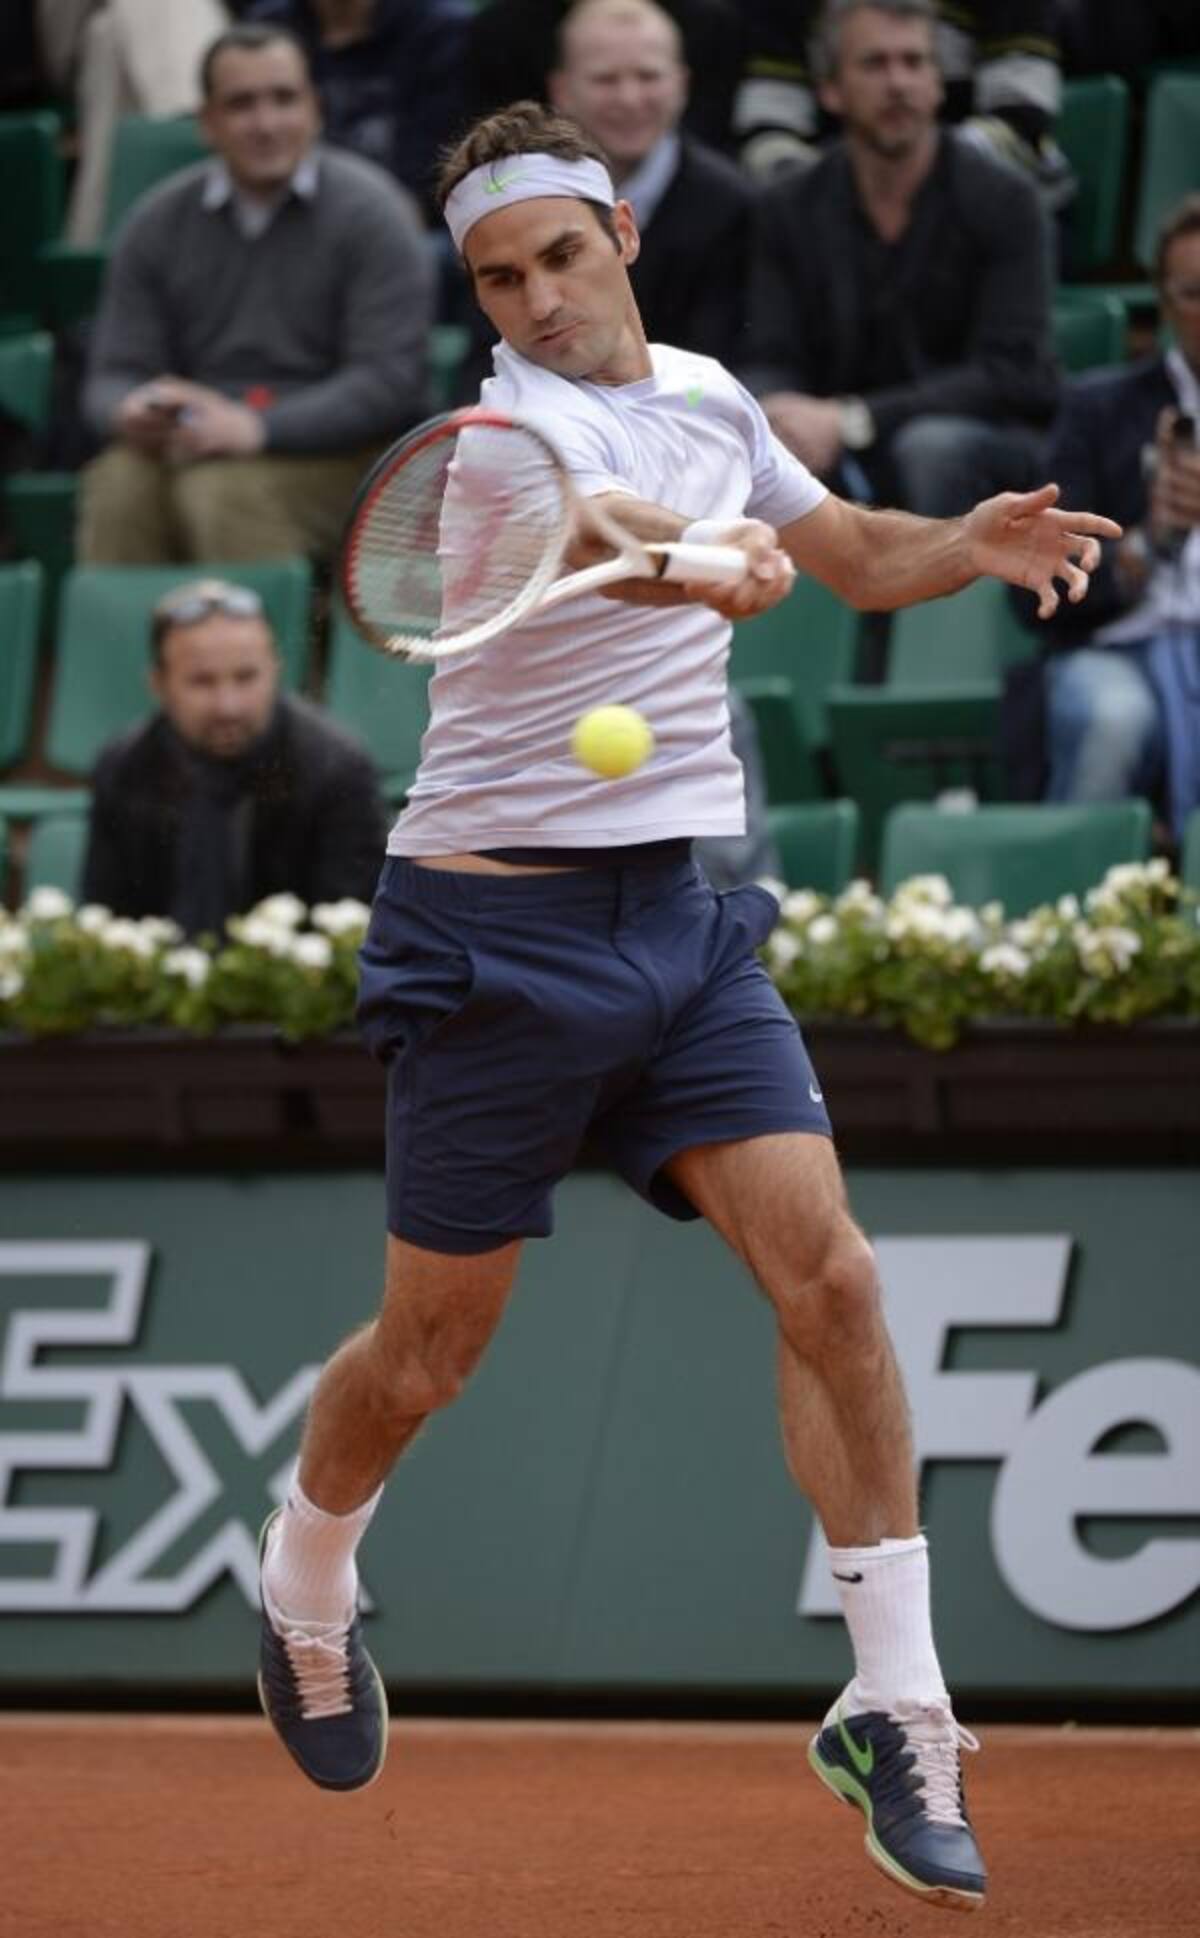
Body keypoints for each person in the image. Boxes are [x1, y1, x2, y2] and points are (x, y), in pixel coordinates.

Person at [254, 100, 1116, 1915]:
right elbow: (614, 528)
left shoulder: (716, 395)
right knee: (428, 1357)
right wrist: (703, 559)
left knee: (836, 1280)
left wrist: (964, 538)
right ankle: (307, 1575)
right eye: (502, 277)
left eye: (562, 257)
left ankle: (899, 1703)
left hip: (682, 924)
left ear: (624, 236)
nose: (538, 299)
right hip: (490, 945)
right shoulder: (502, 439)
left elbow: (850, 548)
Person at [78, 22, 434, 565]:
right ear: (208, 122)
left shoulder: (374, 214)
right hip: (198, 438)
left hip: (350, 458)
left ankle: (267, 627)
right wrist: (132, 409)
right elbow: (112, 374)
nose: (266, 124)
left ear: (315, 109)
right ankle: (123, 627)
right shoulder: (156, 222)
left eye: (284, 99)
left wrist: (257, 427)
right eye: (241, 104)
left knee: (223, 493)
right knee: (117, 484)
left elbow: (389, 382)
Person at [741, 0, 1058, 521]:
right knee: (762, 434)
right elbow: (770, 348)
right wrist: (778, 410)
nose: (898, 84)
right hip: (833, 435)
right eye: (875, 64)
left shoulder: (1006, 200)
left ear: (937, 83)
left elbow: (1012, 374)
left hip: (980, 440)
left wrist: (854, 419)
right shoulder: (789, 207)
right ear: (830, 90)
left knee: (930, 448)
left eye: (914, 62)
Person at [1007, 196, 1200, 841]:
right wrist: (1147, 544)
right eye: (1194, 293)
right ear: (1164, 304)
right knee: (1111, 718)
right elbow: (1036, 581)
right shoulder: (1099, 409)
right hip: (1114, 645)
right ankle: (1066, 900)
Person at [82, 578, 389, 931]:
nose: (228, 706)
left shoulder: (338, 769)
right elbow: (106, 922)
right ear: (158, 685)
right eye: (202, 681)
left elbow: (351, 932)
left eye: (246, 677)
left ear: (275, 670)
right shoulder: (121, 768)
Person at [239, 0, 472, 219]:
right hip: (288, 215)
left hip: (412, 220)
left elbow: (439, 169)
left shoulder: (440, 28)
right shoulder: (270, 27)